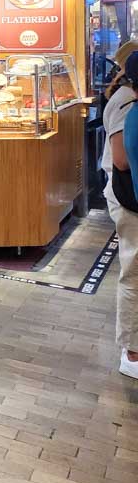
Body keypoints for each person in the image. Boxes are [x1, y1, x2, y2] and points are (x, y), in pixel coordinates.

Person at [104, 48, 138, 379]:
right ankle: (132, 352)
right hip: (128, 197)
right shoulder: (127, 102)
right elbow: (122, 160)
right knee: (134, 271)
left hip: (129, 196)